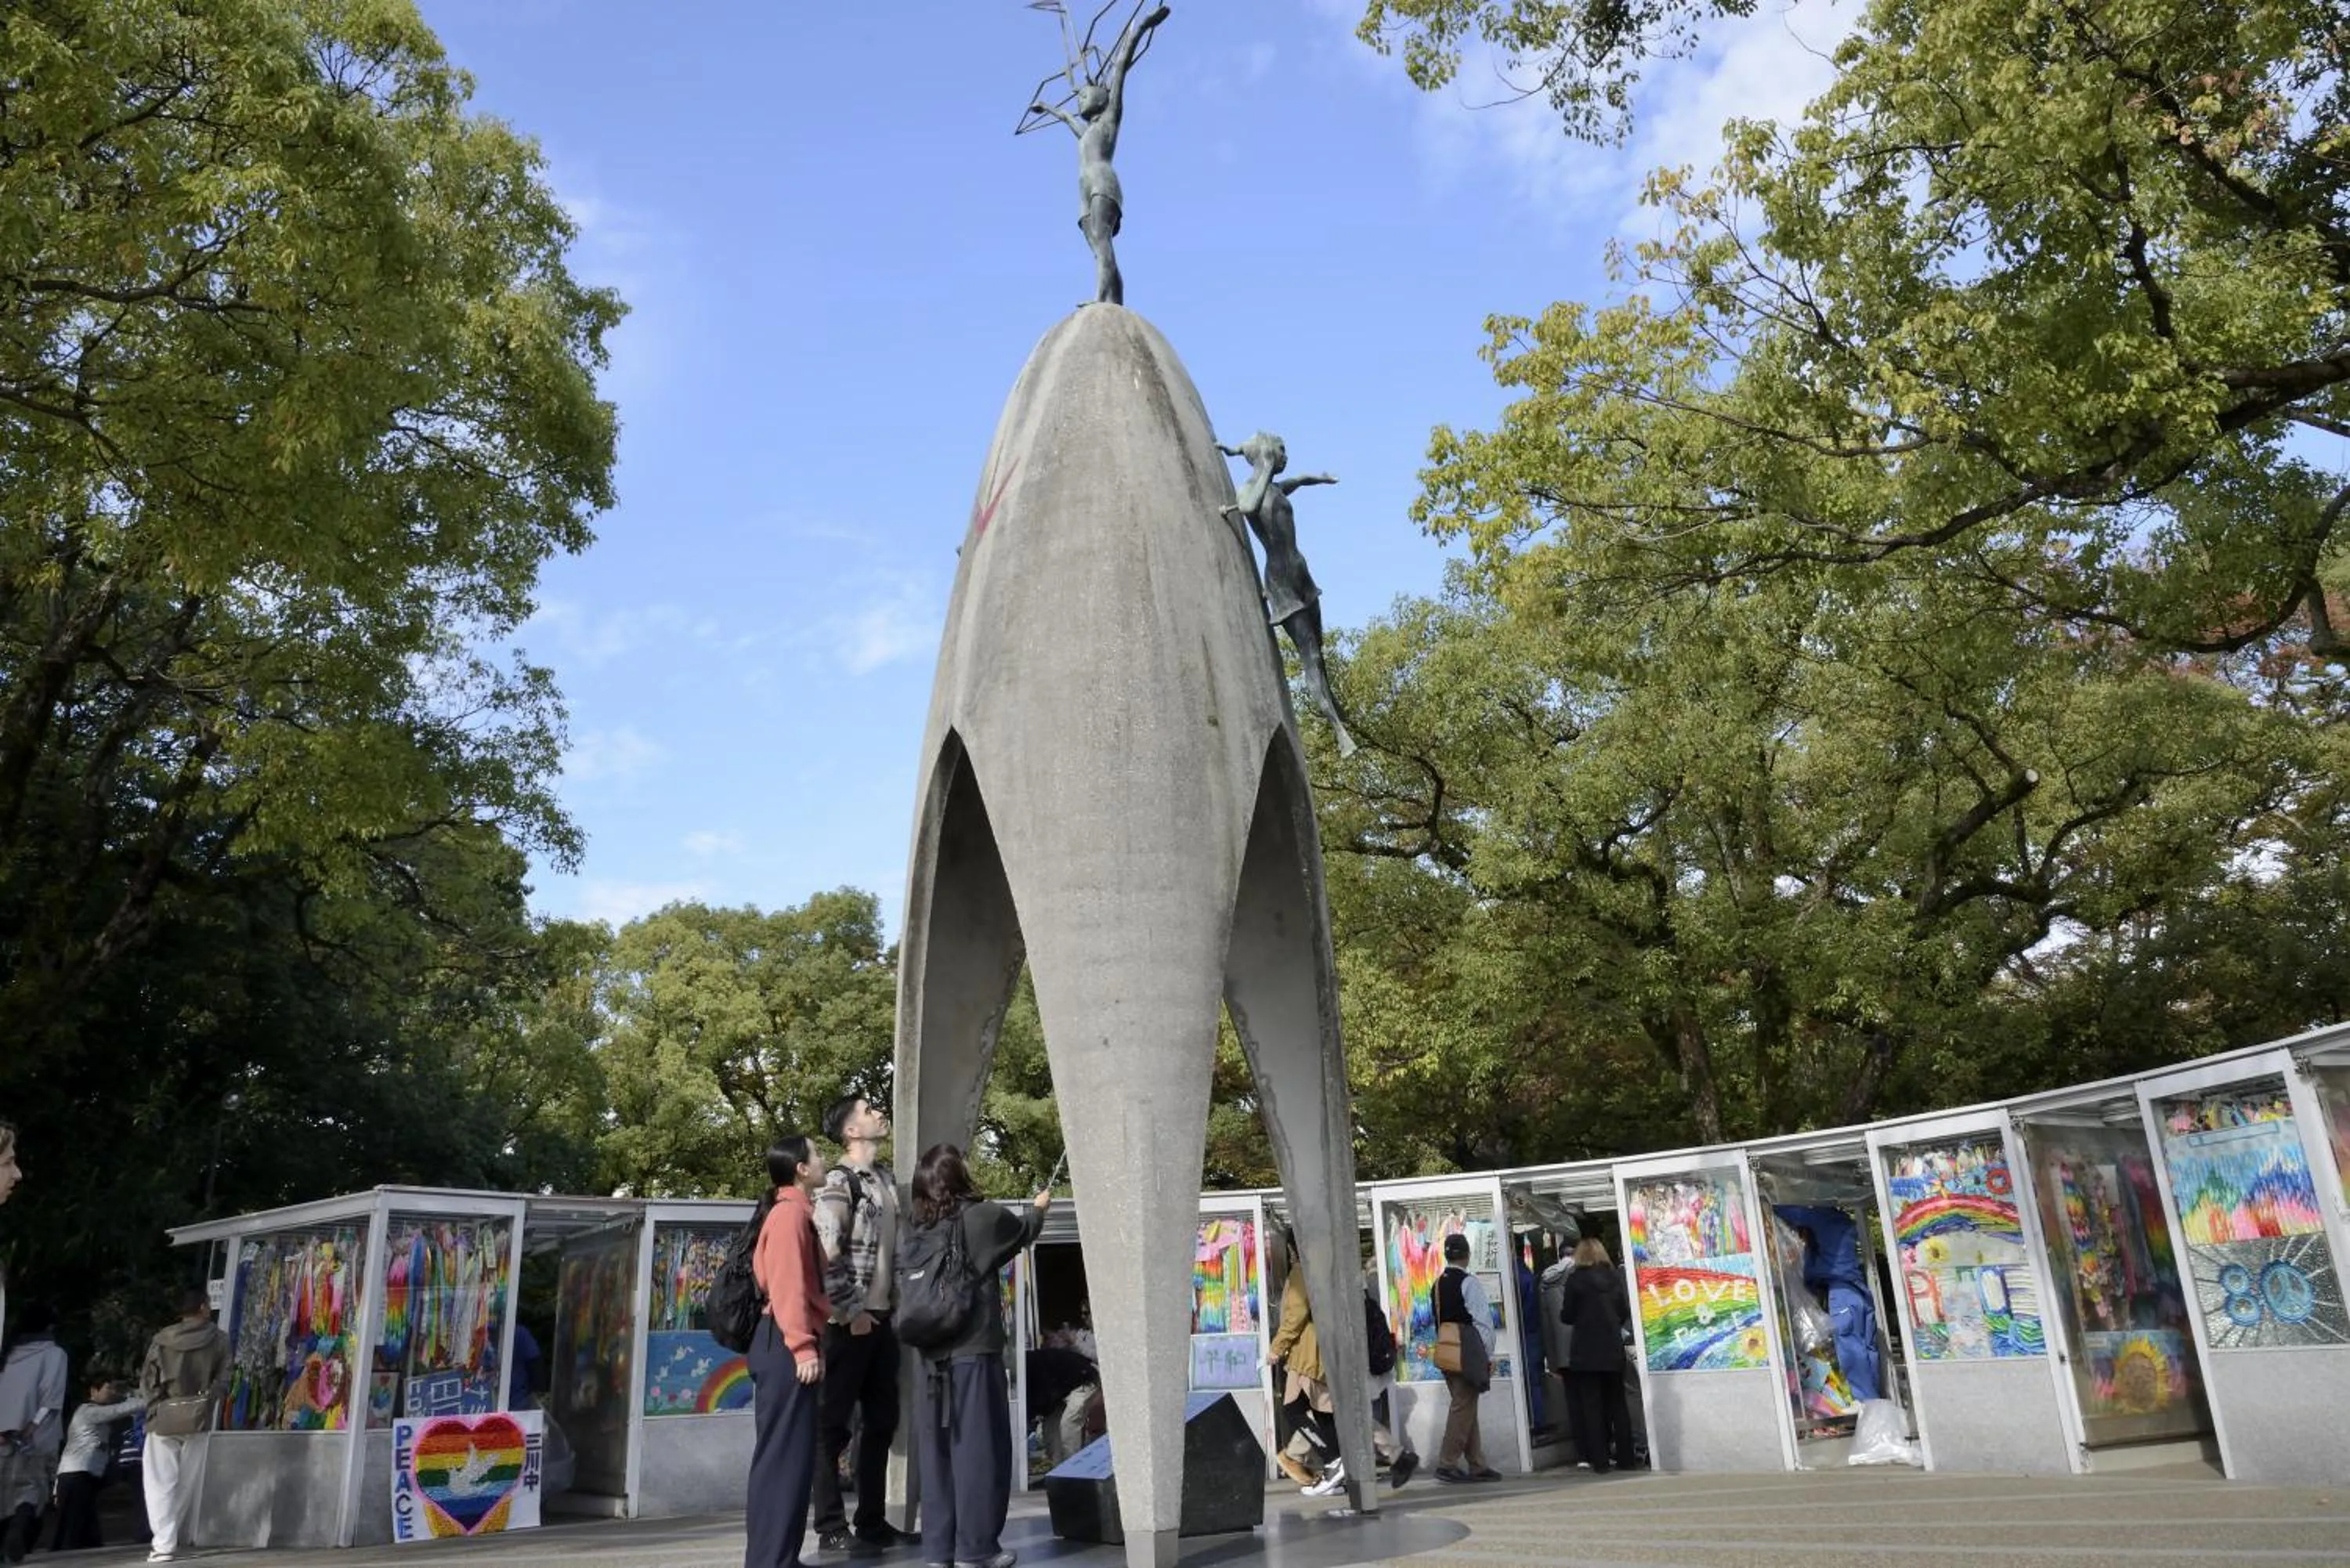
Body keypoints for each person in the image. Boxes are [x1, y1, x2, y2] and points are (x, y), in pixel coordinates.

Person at [906, 1143, 1050, 1568]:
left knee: (937, 1458)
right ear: (958, 1175)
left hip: (928, 1358)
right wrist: (1040, 1206)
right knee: (979, 1452)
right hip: (973, 1352)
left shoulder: (917, 1228)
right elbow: (1024, 1231)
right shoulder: (983, 1217)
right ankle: (977, 1549)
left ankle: (938, 1551)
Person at [1217, 433, 1357, 757]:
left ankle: (1332, 704)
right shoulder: (1250, 491)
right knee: (1310, 656)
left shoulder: (1278, 488)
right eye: (1280, 450)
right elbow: (1249, 507)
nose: (1284, 456)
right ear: (1265, 453)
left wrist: (1319, 479)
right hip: (1281, 583)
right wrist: (1264, 466)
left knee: (1318, 649)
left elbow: (1298, 481)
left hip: (1301, 574)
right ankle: (1339, 732)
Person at [810, 1096, 907, 1555]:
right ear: (850, 1131)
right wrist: (852, 1312)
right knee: (832, 1428)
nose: (878, 1116)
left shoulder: (885, 1179)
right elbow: (825, 1252)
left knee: (882, 1422)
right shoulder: (837, 1182)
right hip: (848, 1325)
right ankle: (830, 1525)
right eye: (868, 1112)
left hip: (884, 1320)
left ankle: (871, 1521)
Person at [1025, 4, 1172, 306]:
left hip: (1102, 184)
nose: (1080, 98)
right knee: (1098, 249)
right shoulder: (1088, 130)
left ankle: (1101, 299)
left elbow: (1120, 67)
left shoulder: (1110, 119)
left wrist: (1144, 26)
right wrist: (1049, 108)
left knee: (1103, 242)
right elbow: (1068, 120)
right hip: (1083, 189)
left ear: (1102, 98)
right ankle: (1115, 301)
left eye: (1084, 94)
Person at [747, 1136, 831, 1568]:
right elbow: (787, 1286)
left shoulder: (797, 1213)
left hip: (782, 1343)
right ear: (800, 1168)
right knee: (782, 1460)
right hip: (784, 1344)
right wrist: (803, 1347)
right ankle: (771, 1560)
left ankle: (782, 1556)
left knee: (791, 1459)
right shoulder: (788, 1216)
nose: (824, 1160)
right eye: (817, 1155)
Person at [136, 1288, 227, 1565]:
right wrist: (205, 1402)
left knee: (158, 1483)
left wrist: (155, 1408)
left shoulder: (162, 1339)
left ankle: (163, 1544)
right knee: (185, 1483)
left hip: (164, 1415)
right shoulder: (219, 1339)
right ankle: (168, 1539)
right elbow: (223, 1379)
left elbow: (148, 1381)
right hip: (197, 1417)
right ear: (202, 1307)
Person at [1266, 1230, 1342, 1494]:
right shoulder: (1329, 1269)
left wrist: (1277, 1348)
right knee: (1323, 1413)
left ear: (1292, 1248)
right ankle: (1338, 1472)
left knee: (1293, 1411)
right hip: (1324, 1351)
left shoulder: (1302, 1271)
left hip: (1306, 1353)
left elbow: (1294, 1316)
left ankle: (1334, 1461)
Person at [1559, 1237, 1637, 1475]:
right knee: (1617, 1404)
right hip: (1612, 1348)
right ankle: (1626, 1458)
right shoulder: (1613, 1278)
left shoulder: (1575, 1280)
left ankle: (1600, 1461)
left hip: (1586, 1351)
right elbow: (1623, 1311)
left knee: (1591, 1407)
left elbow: (1567, 1315)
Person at [0, 1302, 68, 1563]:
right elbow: (51, 1397)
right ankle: (18, 1529)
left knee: (4, 1492)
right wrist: (32, 1427)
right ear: (50, 1326)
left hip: (3, 1436)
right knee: (30, 1491)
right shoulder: (54, 1354)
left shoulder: (8, 1353)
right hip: (34, 1437)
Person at [1430, 1234, 1499, 1484]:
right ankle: (1447, 1463)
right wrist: (1489, 1355)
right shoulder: (1468, 1282)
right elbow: (1482, 1321)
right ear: (1467, 1255)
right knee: (1463, 1406)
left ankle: (1477, 1464)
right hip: (1468, 1352)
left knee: (1465, 1405)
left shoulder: (1437, 1284)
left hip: (1447, 1352)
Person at [49, 1373, 142, 1552]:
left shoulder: (98, 1415)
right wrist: (143, 1400)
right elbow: (120, 1410)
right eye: (109, 1388)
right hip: (76, 1475)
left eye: (115, 1388)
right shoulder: (88, 1411)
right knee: (72, 1531)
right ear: (94, 1391)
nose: (113, 1392)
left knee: (85, 1531)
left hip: (83, 1476)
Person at [1023, 1345, 1099, 1467]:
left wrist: (1031, 1420)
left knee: (1069, 1424)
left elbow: (1043, 1398)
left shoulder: (1030, 1370)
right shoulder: (1030, 1366)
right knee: (1050, 1430)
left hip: (1084, 1377)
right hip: (1062, 1385)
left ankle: (1073, 1468)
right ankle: (1057, 1468)